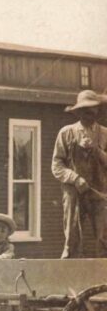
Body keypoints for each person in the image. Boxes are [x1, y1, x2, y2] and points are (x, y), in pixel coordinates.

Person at [52, 90, 107, 258]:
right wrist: (75, 179)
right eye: (84, 110)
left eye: (91, 109)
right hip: (74, 192)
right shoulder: (66, 132)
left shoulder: (105, 133)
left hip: (99, 193)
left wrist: (96, 150)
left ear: (97, 111)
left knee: (104, 236)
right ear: (78, 112)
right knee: (72, 236)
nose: (88, 114)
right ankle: (69, 271)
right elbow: (57, 165)